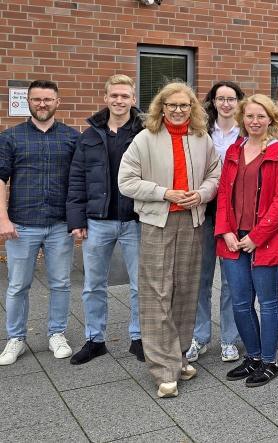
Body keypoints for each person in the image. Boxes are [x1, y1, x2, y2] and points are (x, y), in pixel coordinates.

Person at [118, 82, 221, 398]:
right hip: (157, 224)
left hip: (192, 223)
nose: (179, 110)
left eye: (185, 105)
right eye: (173, 105)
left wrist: (202, 194)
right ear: (161, 107)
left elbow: (215, 176)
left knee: (187, 291)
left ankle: (177, 356)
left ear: (193, 109)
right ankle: (163, 370)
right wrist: (164, 193)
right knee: (157, 293)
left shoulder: (202, 140)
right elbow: (126, 182)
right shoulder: (144, 139)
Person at [66, 74, 144, 364]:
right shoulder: (89, 136)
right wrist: (77, 220)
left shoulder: (144, 131)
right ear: (106, 98)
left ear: (133, 99)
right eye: (115, 95)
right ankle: (94, 340)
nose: (120, 101)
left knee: (139, 284)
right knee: (93, 284)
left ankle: (138, 338)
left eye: (125, 96)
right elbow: (76, 179)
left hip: (135, 221)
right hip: (98, 221)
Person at [0, 80, 79, 365]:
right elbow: (1, 178)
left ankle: (57, 333)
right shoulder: (11, 137)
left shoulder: (72, 138)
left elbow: (78, 181)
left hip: (60, 224)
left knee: (60, 283)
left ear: (57, 102)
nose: (42, 104)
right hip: (21, 224)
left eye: (47, 99)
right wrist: (3, 218)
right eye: (36, 99)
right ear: (28, 102)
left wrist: (78, 220)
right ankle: (16, 339)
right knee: (18, 285)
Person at [217, 94, 278, 387]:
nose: (255, 121)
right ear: (242, 119)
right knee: (239, 302)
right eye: (249, 116)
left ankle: (270, 361)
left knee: (269, 301)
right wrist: (225, 230)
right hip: (233, 239)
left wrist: (256, 237)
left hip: (266, 240)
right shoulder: (234, 151)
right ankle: (253, 356)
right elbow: (224, 193)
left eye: (261, 116)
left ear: (271, 120)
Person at [186, 81, 244, 364]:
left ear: (238, 102)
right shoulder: (200, 133)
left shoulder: (245, 133)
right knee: (201, 277)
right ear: (213, 102)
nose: (226, 104)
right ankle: (200, 335)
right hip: (206, 211)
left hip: (236, 213)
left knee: (233, 280)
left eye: (231, 98)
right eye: (220, 98)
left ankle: (230, 339)